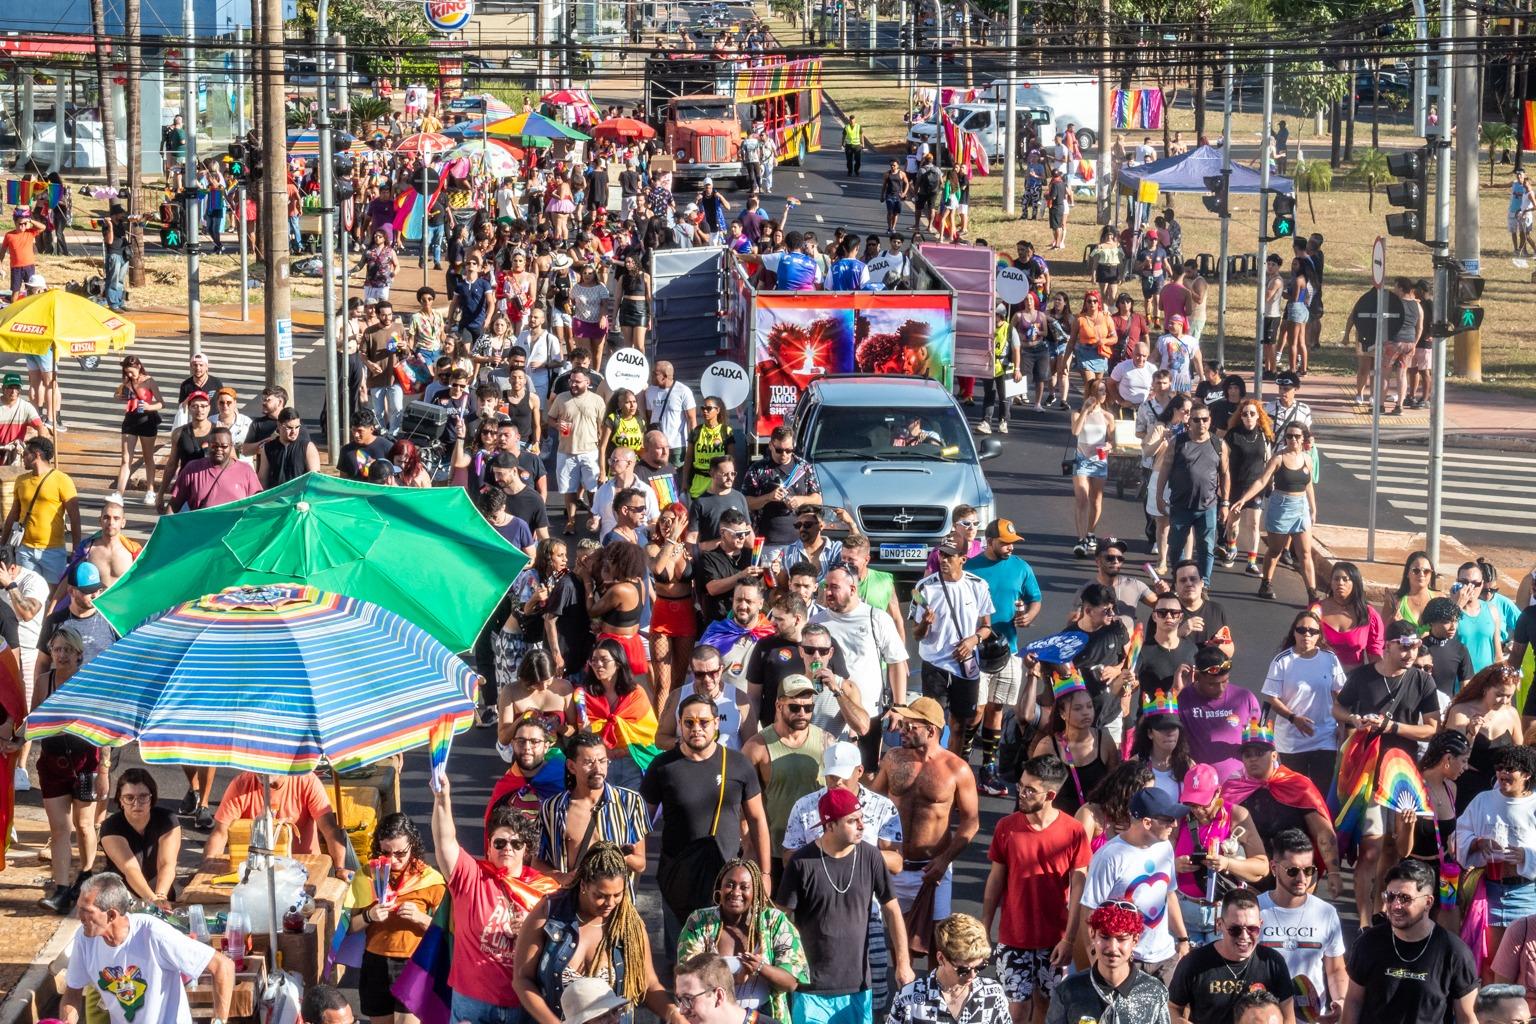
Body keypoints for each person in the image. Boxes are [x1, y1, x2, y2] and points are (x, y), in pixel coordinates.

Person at [641, 693, 771, 953]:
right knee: (683, 961)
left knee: (727, 959)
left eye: (703, 722)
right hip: (677, 879)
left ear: (716, 723)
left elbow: (757, 820)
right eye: (689, 723)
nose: (696, 729)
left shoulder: (737, 764)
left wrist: (765, 874)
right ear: (679, 724)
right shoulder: (662, 766)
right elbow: (641, 819)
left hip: (726, 879)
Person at [1333, 619, 1442, 924]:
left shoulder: (1422, 680)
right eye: (1404, 647)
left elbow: (1432, 728)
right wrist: (1354, 719)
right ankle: (1365, 922)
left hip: (1402, 776)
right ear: (1388, 646)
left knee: (1395, 849)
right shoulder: (1363, 676)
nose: (1410, 653)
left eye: (1415, 647)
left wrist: (1393, 727)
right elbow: (1337, 709)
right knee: (1370, 848)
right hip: (1367, 774)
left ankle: (1382, 913)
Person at [780, 787, 915, 1023]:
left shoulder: (871, 856)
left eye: (861, 818)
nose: (862, 825)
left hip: (858, 985)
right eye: (852, 821)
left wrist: (903, 964)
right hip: (811, 988)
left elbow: (892, 910)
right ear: (829, 825)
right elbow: (781, 918)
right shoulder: (801, 863)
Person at [514, 842, 687, 1024]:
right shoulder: (549, 912)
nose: (610, 903)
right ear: (583, 885)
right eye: (601, 895)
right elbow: (522, 979)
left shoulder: (629, 925)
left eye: (617, 895)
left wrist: (672, 1014)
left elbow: (648, 984)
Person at [431, 774, 557, 1024]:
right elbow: (445, 841)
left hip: (524, 1004)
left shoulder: (546, 890)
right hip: (472, 1002)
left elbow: (558, 946)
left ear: (526, 849)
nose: (507, 848)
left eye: (515, 843)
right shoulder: (471, 876)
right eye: (499, 843)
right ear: (488, 848)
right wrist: (442, 798)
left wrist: (533, 931)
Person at [982, 755, 1089, 1024]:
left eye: (1030, 790)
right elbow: (995, 881)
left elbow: (1079, 887)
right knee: (1015, 1011)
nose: (1022, 793)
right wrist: (984, 927)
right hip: (1013, 937)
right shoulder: (1006, 828)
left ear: (1050, 794)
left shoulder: (1074, 832)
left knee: (1050, 1007)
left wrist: (1070, 939)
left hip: (1054, 939)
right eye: (1021, 786)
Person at [872, 697, 980, 940]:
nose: (902, 731)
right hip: (893, 867)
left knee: (936, 943)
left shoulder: (957, 769)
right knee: (894, 943)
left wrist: (944, 860)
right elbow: (871, 799)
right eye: (903, 724)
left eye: (910, 726)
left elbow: (971, 822)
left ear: (931, 730)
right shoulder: (893, 759)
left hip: (932, 870)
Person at [60, 873, 234, 1024]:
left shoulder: (152, 933)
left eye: (86, 911)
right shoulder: (84, 939)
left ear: (112, 915)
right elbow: (73, 992)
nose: (78, 916)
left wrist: (218, 1020)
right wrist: (65, 1020)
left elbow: (223, 966)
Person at [1340, 858, 1478, 1024]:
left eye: (1405, 898)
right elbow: (1354, 1001)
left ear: (1428, 902)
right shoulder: (1368, 943)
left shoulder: (1454, 952)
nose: (1395, 906)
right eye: (1390, 897)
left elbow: (1467, 1016)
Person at [1077, 787, 1189, 985]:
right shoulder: (1109, 856)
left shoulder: (1165, 847)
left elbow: (1169, 894)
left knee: (1168, 1014)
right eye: (1168, 819)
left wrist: (1182, 939)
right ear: (1147, 822)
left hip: (1165, 957)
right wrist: (1097, 960)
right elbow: (1089, 911)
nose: (1175, 824)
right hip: (1127, 960)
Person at [966, 519, 1043, 795]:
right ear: (989, 542)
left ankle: (988, 768)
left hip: (1007, 650)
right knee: (974, 710)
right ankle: (963, 765)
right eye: (1004, 543)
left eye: (1012, 543)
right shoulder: (969, 568)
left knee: (996, 708)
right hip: (975, 651)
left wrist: (1028, 616)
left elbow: (1035, 599)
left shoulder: (1021, 568)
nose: (1010, 547)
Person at [676, 862, 809, 1020]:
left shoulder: (774, 922)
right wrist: (736, 980)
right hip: (712, 1018)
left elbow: (791, 982)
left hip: (763, 1017)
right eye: (729, 885)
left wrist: (760, 967)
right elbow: (688, 979)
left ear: (756, 892)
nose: (735, 892)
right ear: (719, 887)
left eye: (744, 887)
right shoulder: (699, 922)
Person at [33, 627, 104, 914]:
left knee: (85, 825)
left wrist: (106, 769)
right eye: (57, 649)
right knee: (60, 829)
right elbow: (34, 720)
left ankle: (86, 873)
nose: (61, 655)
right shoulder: (43, 681)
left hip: (85, 761)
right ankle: (61, 890)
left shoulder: (89, 682)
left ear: (78, 655)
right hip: (52, 761)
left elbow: (102, 729)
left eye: (67, 650)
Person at [352, 813, 445, 1024]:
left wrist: (420, 918)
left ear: (412, 845)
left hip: (413, 962)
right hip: (375, 962)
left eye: (400, 853)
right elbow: (348, 928)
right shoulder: (367, 875)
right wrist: (369, 915)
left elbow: (446, 929)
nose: (393, 860)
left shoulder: (430, 879)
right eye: (386, 852)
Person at [911, 541, 995, 756]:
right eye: (941, 556)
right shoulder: (923, 588)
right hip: (935, 664)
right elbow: (916, 634)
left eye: (949, 556)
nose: (944, 560)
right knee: (933, 721)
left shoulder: (978, 585)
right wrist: (925, 624)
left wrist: (972, 641)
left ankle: (955, 766)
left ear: (962, 560)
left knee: (959, 724)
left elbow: (986, 627)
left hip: (965, 665)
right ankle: (931, 764)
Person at [1258, 828, 1348, 1024]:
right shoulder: (1254, 910)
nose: (1302, 878)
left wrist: (1340, 1000)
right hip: (1263, 1017)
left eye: (1309, 870)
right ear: (1274, 868)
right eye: (1292, 871)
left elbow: (1335, 969)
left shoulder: (1326, 913)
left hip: (1310, 1017)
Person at [1168, 887, 1295, 1024]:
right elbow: (1172, 1007)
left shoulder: (1272, 962)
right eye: (1235, 929)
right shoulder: (1194, 962)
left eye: (1252, 929)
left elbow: (1288, 1017)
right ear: (1220, 925)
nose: (1244, 936)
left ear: (1260, 924)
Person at [742, 674, 834, 860]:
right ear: (778, 706)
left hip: (817, 851)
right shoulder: (756, 747)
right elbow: (743, 805)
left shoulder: (827, 741)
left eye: (808, 708)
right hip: (773, 850)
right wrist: (749, 845)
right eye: (795, 707)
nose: (802, 713)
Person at [1261, 607, 1347, 795]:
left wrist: (1342, 724)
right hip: (1291, 740)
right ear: (1294, 632)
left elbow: (1339, 694)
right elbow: (1271, 697)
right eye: (1301, 630)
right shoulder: (1282, 661)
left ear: (1319, 635)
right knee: (1295, 792)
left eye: (1313, 631)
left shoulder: (1329, 659)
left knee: (1321, 792)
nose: (1306, 635)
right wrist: (1294, 718)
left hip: (1324, 737)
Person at [1230, 421, 1317, 600]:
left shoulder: (1308, 459)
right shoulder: (1278, 458)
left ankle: (1312, 593)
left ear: (1303, 439)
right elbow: (1262, 481)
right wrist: (1243, 499)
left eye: (1296, 436)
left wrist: (1313, 509)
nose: (1292, 439)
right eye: (1289, 436)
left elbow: (1308, 486)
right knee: (1275, 550)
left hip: (1301, 507)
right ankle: (1266, 583)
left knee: (1305, 553)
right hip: (1281, 507)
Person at [1047, 900, 1171, 1024]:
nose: (1112, 947)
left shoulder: (1155, 992)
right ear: (1092, 934)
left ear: (1135, 940)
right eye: (1105, 937)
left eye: (1121, 939)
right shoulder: (1067, 991)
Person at [203, 769, 351, 872]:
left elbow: (330, 830)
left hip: (303, 868)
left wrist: (339, 869)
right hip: (255, 868)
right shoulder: (240, 784)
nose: (262, 771)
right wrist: (207, 865)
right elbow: (220, 833)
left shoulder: (307, 781)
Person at [1155, 399, 1228, 584]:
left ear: (1210, 420)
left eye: (1204, 419)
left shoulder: (1219, 444)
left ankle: (1204, 583)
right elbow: (1165, 469)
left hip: (1208, 506)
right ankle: (1179, 581)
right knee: (1176, 547)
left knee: (1206, 547)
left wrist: (1225, 503)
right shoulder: (1178, 442)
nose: (1201, 423)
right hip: (1180, 505)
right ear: (1189, 422)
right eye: (1196, 420)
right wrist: (1158, 496)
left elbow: (1225, 474)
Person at [888, 913, 1009, 1024]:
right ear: (941, 959)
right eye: (963, 970)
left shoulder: (993, 994)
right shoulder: (908, 998)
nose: (972, 975)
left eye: (980, 967)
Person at [99, 768, 181, 908]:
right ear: (121, 800)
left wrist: (160, 896)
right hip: (122, 895)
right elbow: (130, 868)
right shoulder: (110, 826)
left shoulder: (168, 820)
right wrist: (153, 900)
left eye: (143, 797)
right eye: (129, 798)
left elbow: (167, 864)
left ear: (151, 797)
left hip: (161, 890)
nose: (136, 804)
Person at [1444, 665, 1524, 809]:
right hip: (1467, 783)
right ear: (1485, 688)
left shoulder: (1511, 713)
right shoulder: (1461, 711)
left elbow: (1520, 754)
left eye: (1509, 696)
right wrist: (1471, 734)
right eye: (1499, 694)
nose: (1504, 701)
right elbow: (1452, 756)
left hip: (1500, 786)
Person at [3, 436, 79, 584]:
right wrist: (3, 543)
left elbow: (75, 517)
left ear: (37, 454)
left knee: (52, 596)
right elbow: (13, 514)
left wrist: (77, 549)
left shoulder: (62, 480)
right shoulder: (21, 481)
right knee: (27, 595)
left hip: (53, 551)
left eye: (25, 454)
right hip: (24, 549)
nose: (23, 458)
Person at [1178, 647, 1263, 779]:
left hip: (1240, 787)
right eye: (1212, 684)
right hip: (1198, 788)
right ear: (1197, 677)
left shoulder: (1245, 698)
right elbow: (1156, 731)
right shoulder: (1182, 698)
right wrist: (1175, 692)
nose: (1221, 689)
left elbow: (1261, 744)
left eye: (1225, 681)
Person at [743, 426, 822, 565]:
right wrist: (768, 498)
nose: (784, 454)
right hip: (769, 541)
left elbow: (818, 499)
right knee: (772, 585)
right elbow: (745, 502)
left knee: (800, 584)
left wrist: (801, 500)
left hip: (801, 540)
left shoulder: (803, 467)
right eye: (779, 450)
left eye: (789, 450)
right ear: (770, 445)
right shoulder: (758, 469)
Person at [547, 367, 608, 529]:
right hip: (566, 451)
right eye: (571, 381)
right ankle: (571, 521)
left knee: (592, 488)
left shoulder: (597, 400)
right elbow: (550, 418)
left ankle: (593, 519)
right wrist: (557, 424)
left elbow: (602, 426)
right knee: (569, 489)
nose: (573, 384)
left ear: (587, 383)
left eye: (577, 382)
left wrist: (603, 450)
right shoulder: (561, 398)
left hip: (590, 452)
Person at [1070, 380, 1117, 558]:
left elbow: (1113, 440)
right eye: (1098, 391)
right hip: (1081, 459)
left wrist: (1109, 446)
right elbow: (1075, 431)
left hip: (1099, 460)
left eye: (1104, 391)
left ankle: (1091, 533)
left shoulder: (1107, 416)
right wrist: (1085, 410)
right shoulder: (1077, 413)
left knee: (1096, 499)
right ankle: (1081, 539)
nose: (1101, 394)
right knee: (1081, 497)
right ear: (1090, 392)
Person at [164, 427, 262, 512]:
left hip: (234, 531)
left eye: (224, 446)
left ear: (231, 446)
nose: (219, 449)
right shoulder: (192, 468)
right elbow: (174, 504)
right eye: (215, 446)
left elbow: (259, 503)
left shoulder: (245, 470)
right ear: (209, 445)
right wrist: (166, 528)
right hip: (202, 528)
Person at [257, 408, 322, 488]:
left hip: (299, 498)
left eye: (297, 427)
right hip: (276, 498)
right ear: (279, 425)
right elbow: (263, 479)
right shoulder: (268, 448)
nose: (294, 432)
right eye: (289, 427)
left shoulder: (308, 447)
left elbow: (314, 479)